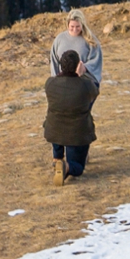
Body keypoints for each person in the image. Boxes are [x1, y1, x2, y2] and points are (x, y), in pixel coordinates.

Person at [44, 49, 98, 183]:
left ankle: (57, 158)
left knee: (58, 128)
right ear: (77, 65)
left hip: (54, 130)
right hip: (77, 133)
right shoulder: (85, 84)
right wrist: (82, 75)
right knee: (78, 167)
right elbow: (94, 92)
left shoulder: (50, 83)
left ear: (61, 65)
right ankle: (66, 166)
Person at [49, 8, 103, 86]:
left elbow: (96, 60)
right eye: (72, 26)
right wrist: (55, 80)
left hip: (83, 83)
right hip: (64, 83)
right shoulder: (59, 39)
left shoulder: (90, 39)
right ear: (67, 25)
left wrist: (84, 68)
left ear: (82, 24)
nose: (74, 29)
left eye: (78, 26)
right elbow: (54, 61)